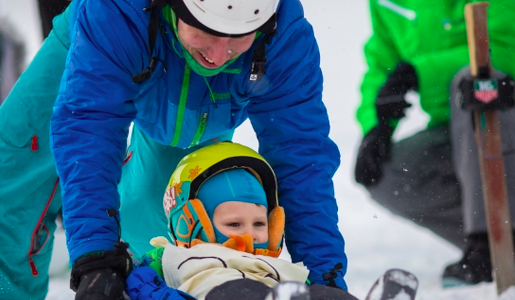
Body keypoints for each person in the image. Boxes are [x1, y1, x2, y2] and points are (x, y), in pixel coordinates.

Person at [0, 0, 347, 299]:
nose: (218, 53)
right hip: (102, 45)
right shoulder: (116, 12)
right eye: (208, 32)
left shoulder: (283, 34)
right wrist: (94, 255)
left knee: (163, 220)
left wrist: (324, 277)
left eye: (238, 36)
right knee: (12, 186)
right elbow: (90, 126)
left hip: (200, 103)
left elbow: (301, 157)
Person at [354, 0, 515, 287]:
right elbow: (381, 62)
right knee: (390, 174)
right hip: (458, 131)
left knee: (478, 84)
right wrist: (374, 126)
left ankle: (488, 242)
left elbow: (506, 49)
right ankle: (499, 243)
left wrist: (422, 72)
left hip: (507, 113)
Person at [126, 142, 357, 300]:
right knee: (238, 291)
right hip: (221, 292)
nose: (250, 234)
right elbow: (138, 287)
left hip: (272, 292)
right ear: (189, 224)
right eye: (234, 224)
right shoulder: (169, 261)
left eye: (259, 224)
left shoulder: (277, 272)